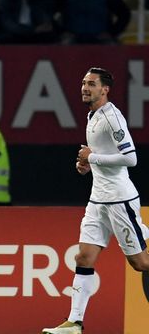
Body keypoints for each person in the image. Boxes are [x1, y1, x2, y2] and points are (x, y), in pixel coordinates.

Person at [42, 67, 149, 334]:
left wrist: (93, 158)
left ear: (105, 89)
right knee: (84, 257)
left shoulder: (113, 118)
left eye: (91, 84)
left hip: (119, 199)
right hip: (97, 200)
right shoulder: (92, 116)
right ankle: (74, 322)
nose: (85, 87)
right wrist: (89, 165)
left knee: (141, 264)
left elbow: (131, 158)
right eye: (83, 82)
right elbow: (102, 155)